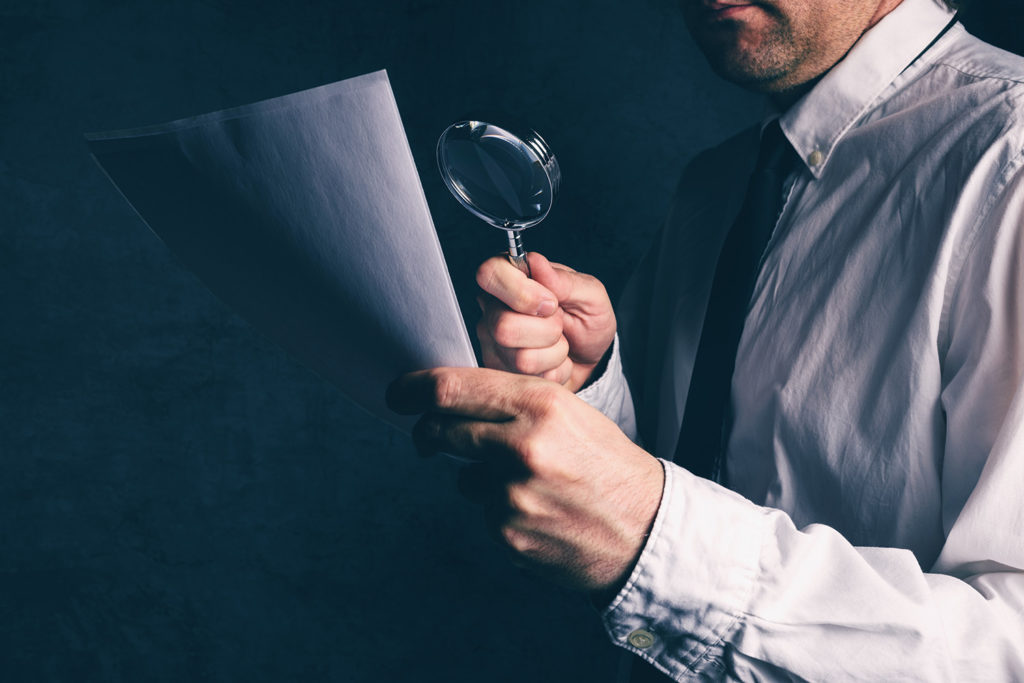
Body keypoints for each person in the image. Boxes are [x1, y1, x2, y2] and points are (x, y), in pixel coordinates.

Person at [387, 0, 1024, 678]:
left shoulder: (1011, 161)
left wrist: (648, 535)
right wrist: (592, 389)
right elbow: (694, 478)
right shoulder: (715, 188)